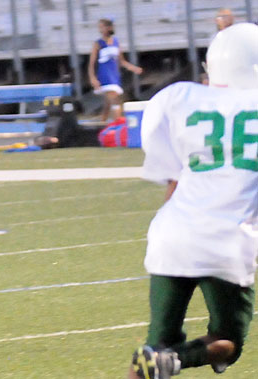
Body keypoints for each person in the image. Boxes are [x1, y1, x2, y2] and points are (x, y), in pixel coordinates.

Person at [129, 23, 258, 379]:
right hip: (228, 242)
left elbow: (172, 180)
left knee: (154, 350)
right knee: (227, 341)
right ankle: (176, 361)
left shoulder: (180, 99)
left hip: (172, 235)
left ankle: (160, 360)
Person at [88, 18, 142, 122]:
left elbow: (121, 61)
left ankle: (102, 123)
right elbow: (92, 63)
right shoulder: (98, 43)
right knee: (115, 99)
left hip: (114, 75)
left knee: (108, 103)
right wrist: (92, 78)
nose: (101, 30)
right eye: (100, 28)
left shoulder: (116, 42)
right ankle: (118, 123)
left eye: (102, 27)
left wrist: (134, 68)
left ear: (109, 28)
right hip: (104, 75)